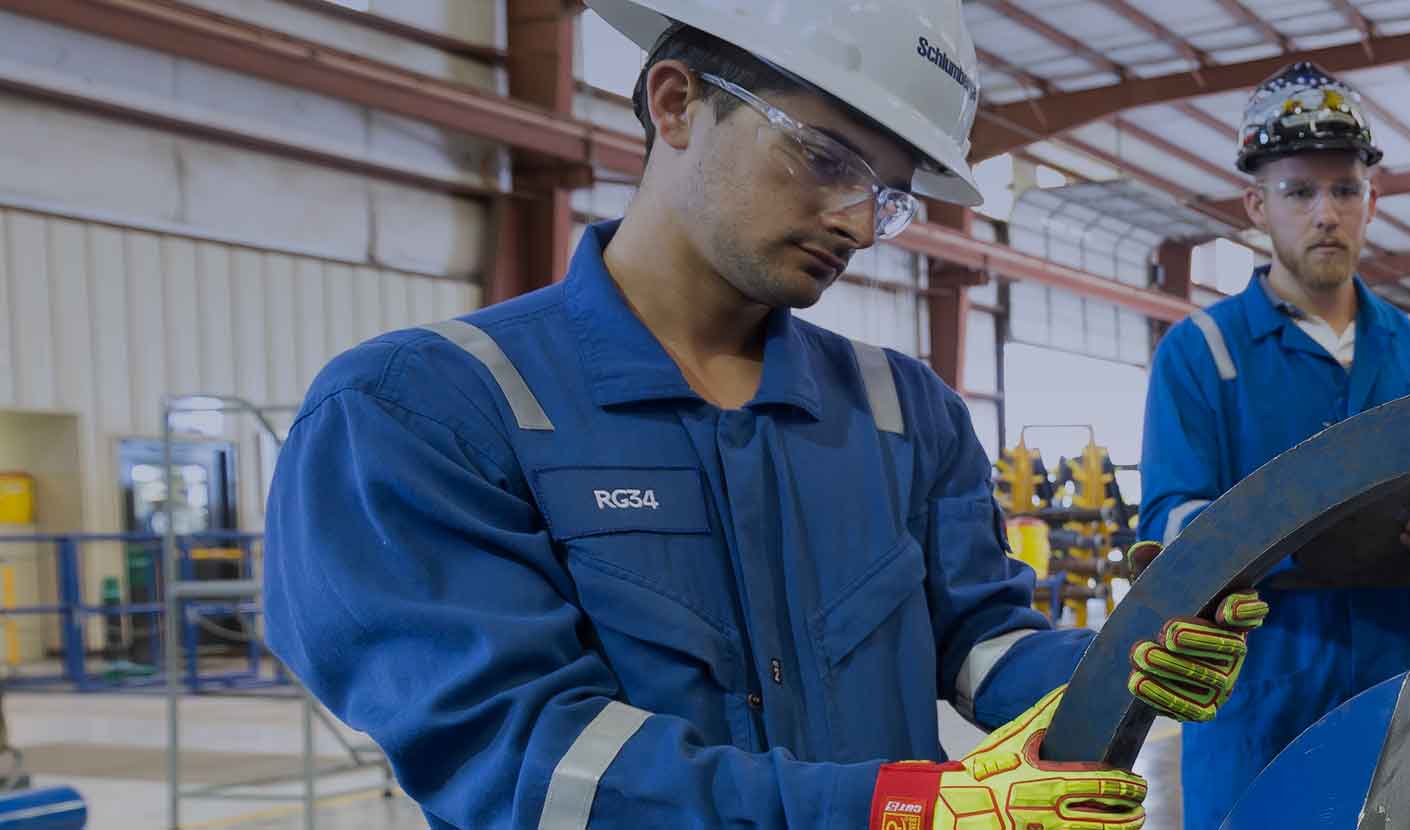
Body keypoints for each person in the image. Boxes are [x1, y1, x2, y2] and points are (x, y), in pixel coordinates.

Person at [261, 2, 1266, 827]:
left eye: (889, 195)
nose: (855, 222)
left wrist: (1115, 659)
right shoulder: (425, 410)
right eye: (827, 157)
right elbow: (521, 756)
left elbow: (977, 635)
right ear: (676, 100)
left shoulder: (901, 412)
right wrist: (899, 808)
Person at [1136, 62, 1410, 830]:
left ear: (1371, 201)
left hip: (1407, 700)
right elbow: (1166, 524)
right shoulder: (1204, 354)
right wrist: (1306, 542)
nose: (1326, 213)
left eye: (1345, 190)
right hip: (1259, 713)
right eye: (1299, 192)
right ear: (1256, 204)